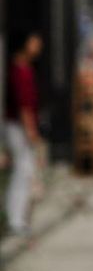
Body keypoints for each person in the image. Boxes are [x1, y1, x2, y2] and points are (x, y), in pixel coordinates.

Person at [3, 31, 42, 237]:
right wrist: (30, 130)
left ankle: (18, 217)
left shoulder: (24, 69)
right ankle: (15, 218)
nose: (38, 45)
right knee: (23, 170)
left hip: (19, 126)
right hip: (17, 127)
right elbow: (23, 105)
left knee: (23, 170)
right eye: (34, 40)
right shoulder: (19, 71)